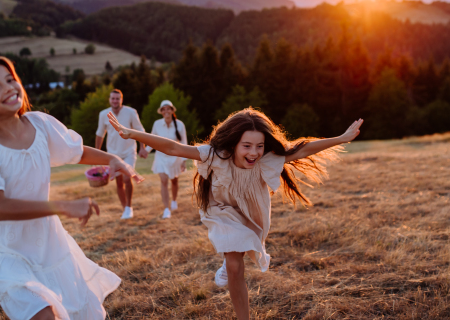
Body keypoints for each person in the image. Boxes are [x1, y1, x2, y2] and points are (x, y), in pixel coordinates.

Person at [0, 54, 143, 320]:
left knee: (62, 308)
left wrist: (112, 159)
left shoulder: (40, 125)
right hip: (3, 245)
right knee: (43, 312)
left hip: (46, 242)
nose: (9, 88)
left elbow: (75, 152)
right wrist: (64, 207)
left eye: (11, 80)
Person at [106, 108, 363, 320]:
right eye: (247, 146)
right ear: (234, 143)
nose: (254, 153)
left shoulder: (266, 158)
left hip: (252, 215)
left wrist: (341, 138)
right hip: (221, 211)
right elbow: (173, 148)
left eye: (259, 146)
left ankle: (228, 264)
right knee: (235, 264)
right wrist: (132, 134)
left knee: (237, 253)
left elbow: (303, 149)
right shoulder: (215, 155)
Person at [96, 89, 148, 220]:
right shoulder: (103, 114)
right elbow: (100, 134)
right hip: (113, 154)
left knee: (126, 178)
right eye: (113, 98)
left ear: (121, 99)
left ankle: (129, 207)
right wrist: (97, 154)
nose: (115, 101)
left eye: (117, 98)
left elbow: (140, 130)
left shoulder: (131, 112)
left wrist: (143, 147)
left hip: (129, 152)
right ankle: (125, 208)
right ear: (109, 99)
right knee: (119, 182)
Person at [147, 100, 188, 219]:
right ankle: (166, 209)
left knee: (174, 181)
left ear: (172, 110)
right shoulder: (157, 124)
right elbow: (152, 139)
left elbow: (184, 142)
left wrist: (184, 160)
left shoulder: (180, 124)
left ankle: (174, 200)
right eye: (163, 109)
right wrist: (146, 150)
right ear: (161, 111)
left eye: (168, 109)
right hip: (160, 157)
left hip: (175, 158)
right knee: (163, 181)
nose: (166, 111)